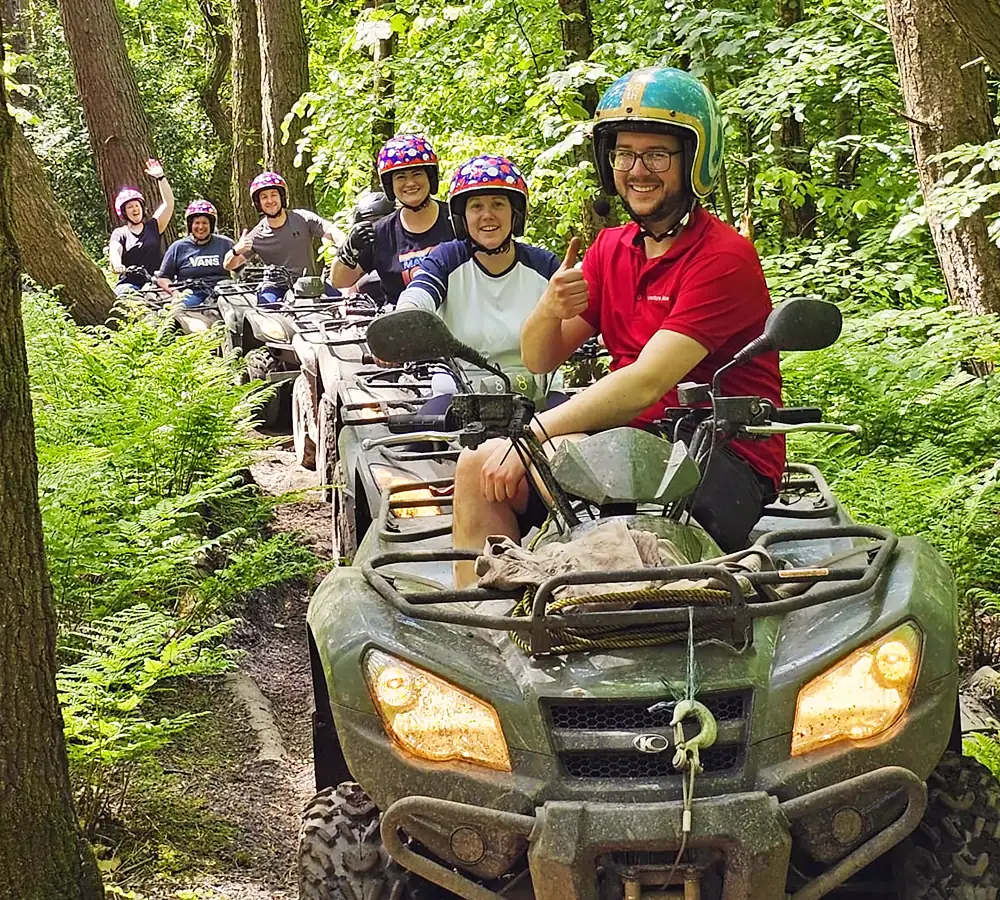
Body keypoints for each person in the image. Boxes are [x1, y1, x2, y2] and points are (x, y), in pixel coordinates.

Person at [450, 66, 785, 587]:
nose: (637, 170)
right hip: (625, 445)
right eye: (625, 154)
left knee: (540, 459)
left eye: (656, 155)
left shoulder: (723, 257)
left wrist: (532, 436)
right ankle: (485, 632)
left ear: (695, 161)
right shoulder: (612, 247)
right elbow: (541, 358)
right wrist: (548, 307)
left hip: (717, 452)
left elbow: (646, 382)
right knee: (476, 465)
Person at [394, 154, 563, 412]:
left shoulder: (544, 265)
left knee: (589, 443)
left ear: (515, 214)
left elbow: (586, 310)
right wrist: (402, 323)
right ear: (462, 217)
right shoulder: (446, 259)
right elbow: (420, 293)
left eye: (498, 204)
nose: (487, 215)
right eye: (476, 207)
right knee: (416, 445)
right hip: (459, 394)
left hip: (539, 395)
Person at [331, 134, 455, 304]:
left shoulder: (456, 220)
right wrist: (349, 249)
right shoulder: (380, 232)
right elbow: (340, 281)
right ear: (390, 185)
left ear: (430, 177)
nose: (410, 183)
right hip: (401, 325)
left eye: (417, 174)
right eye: (401, 177)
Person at [223, 172, 344, 301]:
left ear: (282, 197)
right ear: (258, 203)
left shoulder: (302, 218)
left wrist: (345, 245)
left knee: (342, 303)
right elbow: (228, 265)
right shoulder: (256, 235)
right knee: (266, 311)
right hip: (275, 286)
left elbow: (331, 231)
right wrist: (236, 250)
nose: (269, 201)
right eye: (264, 197)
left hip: (307, 282)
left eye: (273, 195)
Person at [108, 158, 175, 296]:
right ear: (124, 212)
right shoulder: (120, 233)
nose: (135, 210)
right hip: (130, 283)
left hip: (156, 280)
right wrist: (117, 264)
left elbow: (169, 204)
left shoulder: (154, 226)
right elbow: (115, 250)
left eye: (137, 206)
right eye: (130, 207)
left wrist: (160, 177)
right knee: (125, 296)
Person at [155, 200, 234, 306]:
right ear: (190, 225)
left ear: (211, 225)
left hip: (223, 292)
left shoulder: (226, 244)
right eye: (197, 223)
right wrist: (176, 293)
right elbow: (163, 278)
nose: (201, 227)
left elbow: (240, 270)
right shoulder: (178, 247)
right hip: (191, 293)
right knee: (182, 312)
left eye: (205, 223)